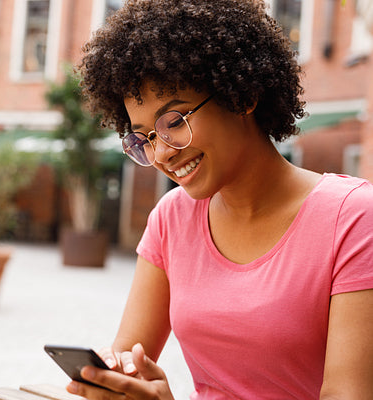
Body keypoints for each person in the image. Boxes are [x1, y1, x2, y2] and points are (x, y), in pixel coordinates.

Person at [70, 0, 373, 398]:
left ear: (241, 96)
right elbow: (130, 360)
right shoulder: (172, 219)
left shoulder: (353, 218)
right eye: (144, 137)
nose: (161, 153)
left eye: (174, 121)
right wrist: (110, 383)